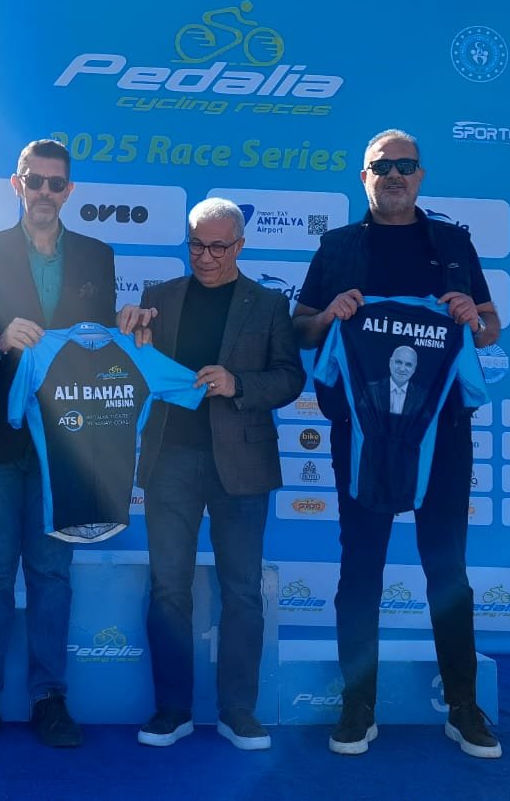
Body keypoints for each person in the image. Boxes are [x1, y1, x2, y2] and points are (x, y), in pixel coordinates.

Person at [291, 129, 503, 758]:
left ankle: (463, 707)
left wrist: (473, 317)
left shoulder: (453, 242)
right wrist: (329, 314)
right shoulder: (337, 246)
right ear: (364, 177)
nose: (394, 176)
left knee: (447, 568)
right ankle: (358, 706)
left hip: (443, 431)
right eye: (381, 167)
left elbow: (490, 329)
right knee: (361, 567)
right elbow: (301, 330)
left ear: (421, 175)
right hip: (363, 432)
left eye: (405, 166)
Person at [0, 138, 117, 748]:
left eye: (54, 183)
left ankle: (48, 697)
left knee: (51, 573)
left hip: (66, 441)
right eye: (33, 180)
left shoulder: (97, 255)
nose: (43, 192)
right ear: (16, 184)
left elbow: (102, 344)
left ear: (69, 191)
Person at [117, 198, 305, 750]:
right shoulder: (157, 298)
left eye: (218, 247)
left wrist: (238, 383)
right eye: (196, 245)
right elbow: (134, 372)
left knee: (242, 591)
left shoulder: (268, 303)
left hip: (242, 466)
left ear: (240, 246)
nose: (205, 256)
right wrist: (131, 339)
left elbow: (290, 378)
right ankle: (172, 710)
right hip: (169, 459)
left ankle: (238, 711)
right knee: (168, 589)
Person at [388, 345, 418, 415]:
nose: (402, 369)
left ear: (414, 368)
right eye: (398, 362)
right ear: (390, 362)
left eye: (408, 365)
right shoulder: (372, 390)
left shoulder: (422, 397)